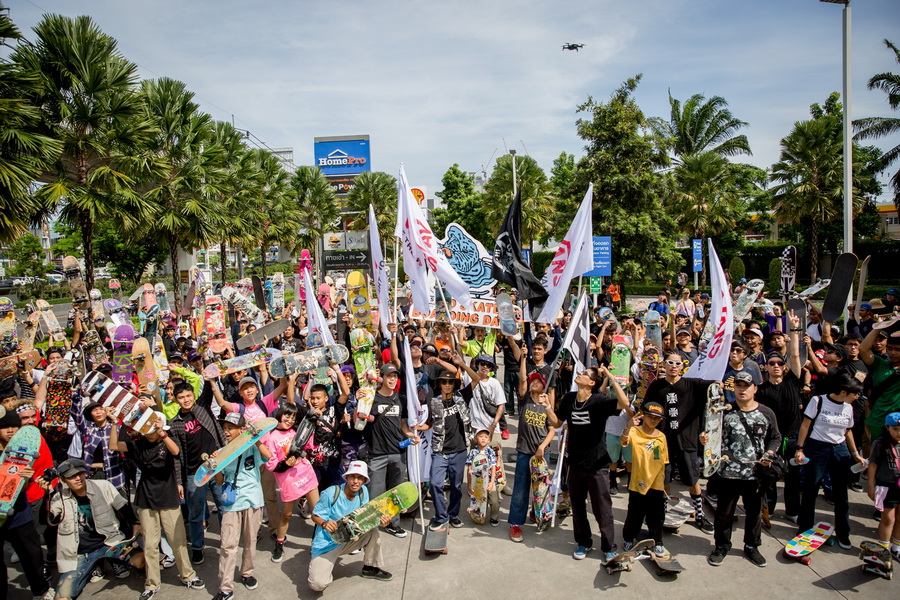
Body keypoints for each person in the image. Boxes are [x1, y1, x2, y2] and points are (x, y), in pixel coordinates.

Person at [109, 413, 203, 599]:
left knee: (178, 540)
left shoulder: (167, 440)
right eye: (147, 428)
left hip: (168, 496)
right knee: (150, 544)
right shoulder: (137, 444)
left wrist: (163, 434)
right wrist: (114, 424)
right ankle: (152, 584)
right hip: (146, 498)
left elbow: (176, 452)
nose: (150, 432)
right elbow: (114, 445)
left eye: (153, 428)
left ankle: (188, 575)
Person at [542, 365, 629, 563]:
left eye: (584, 374)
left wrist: (609, 375)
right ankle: (584, 542)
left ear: (591, 383)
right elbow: (557, 423)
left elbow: (624, 403)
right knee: (578, 506)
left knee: (602, 508)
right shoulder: (570, 398)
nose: (579, 374)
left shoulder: (599, 400)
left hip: (597, 464)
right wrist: (547, 406)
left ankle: (609, 547)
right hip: (575, 463)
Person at [702, 371, 781, 567]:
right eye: (738, 385)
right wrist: (704, 439)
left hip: (754, 474)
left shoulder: (766, 413)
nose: (742, 389)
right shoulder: (724, 412)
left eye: (746, 385)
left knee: (753, 513)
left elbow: (775, 437)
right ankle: (721, 546)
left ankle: (752, 546)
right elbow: (712, 435)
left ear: (755, 388)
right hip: (727, 473)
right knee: (723, 513)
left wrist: (769, 454)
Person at [41, 458, 144, 600]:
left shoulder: (103, 486)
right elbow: (46, 520)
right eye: (71, 476)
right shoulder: (58, 497)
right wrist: (47, 494)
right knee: (62, 597)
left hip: (109, 543)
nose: (78, 478)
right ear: (63, 480)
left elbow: (123, 507)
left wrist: (136, 523)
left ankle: (112, 562)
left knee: (142, 561)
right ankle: (94, 568)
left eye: (80, 474)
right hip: (80, 553)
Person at [644, 352, 720, 533]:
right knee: (664, 478)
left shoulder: (692, 384)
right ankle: (663, 513)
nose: (673, 366)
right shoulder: (656, 386)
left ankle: (700, 515)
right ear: (664, 364)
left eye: (677, 363)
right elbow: (646, 409)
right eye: (669, 362)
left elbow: (714, 392)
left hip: (687, 439)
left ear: (682, 366)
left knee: (693, 478)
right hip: (662, 441)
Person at [794, 372, 867, 549]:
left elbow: (848, 431)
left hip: (840, 450)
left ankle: (843, 534)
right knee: (811, 489)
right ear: (843, 391)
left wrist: (854, 453)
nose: (857, 397)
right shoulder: (818, 401)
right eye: (854, 393)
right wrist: (800, 448)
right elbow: (805, 425)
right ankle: (804, 529)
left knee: (841, 494)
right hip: (817, 448)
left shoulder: (848, 407)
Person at [212, 412, 273, 600]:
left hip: (253, 500)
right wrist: (216, 466)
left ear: (240, 429)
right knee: (228, 545)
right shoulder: (222, 451)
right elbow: (220, 481)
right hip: (231, 503)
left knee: (250, 541)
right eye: (225, 428)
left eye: (231, 428)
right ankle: (225, 588)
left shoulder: (252, 447)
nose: (227, 431)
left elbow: (268, 456)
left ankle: (247, 573)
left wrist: (254, 439)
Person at [307, 461, 392, 591]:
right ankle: (322, 564)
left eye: (360, 478)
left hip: (348, 538)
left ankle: (370, 568)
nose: (355, 481)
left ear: (364, 480)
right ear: (347, 477)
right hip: (327, 545)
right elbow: (315, 515)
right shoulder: (331, 493)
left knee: (373, 531)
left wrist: (381, 521)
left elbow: (365, 518)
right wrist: (324, 524)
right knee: (317, 585)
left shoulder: (363, 491)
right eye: (352, 477)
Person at [168, 381, 226, 565]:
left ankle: (227, 540)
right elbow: (176, 456)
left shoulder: (202, 406)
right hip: (194, 472)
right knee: (195, 513)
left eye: (188, 396)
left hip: (216, 464)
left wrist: (208, 366)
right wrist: (178, 481)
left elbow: (209, 387)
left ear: (193, 395)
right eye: (181, 397)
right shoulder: (175, 423)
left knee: (224, 506)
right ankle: (197, 547)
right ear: (176, 400)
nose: (186, 400)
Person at [0, 411, 54, 600]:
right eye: (5, 426)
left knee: (32, 554)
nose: (10, 430)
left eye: (14, 426)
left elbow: (20, 484)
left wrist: (28, 477)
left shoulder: (23, 449)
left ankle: (41, 590)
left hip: (19, 511)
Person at [366, 364, 418, 538]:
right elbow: (364, 416)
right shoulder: (372, 397)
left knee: (395, 492)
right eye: (389, 376)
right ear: (382, 377)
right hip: (377, 452)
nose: (392, 379)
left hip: (397, 451)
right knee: (375, 492)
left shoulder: (400, 399)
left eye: (395, 376)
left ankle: (393, 524)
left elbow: (402, 424)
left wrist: (411, 435)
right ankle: (368, 529)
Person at [264, 403, 319, 563]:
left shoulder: (296, 431)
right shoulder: (272, 437)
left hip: (306, 472)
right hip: (288, 480)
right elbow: (272, 464)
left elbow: (309, 446)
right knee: (287, 514)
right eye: (287, 415)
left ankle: (320, 543)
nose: (289, 420)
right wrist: (284, 464)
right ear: (279, 414)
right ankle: (279, 544)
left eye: (293, 417)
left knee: (317, 512)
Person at [507, 359, 555, 543]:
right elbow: (522, 381)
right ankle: (515, 524)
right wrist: (524, 359)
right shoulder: (524, 399)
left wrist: (542, 448)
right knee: (520, 490)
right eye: (532, 381)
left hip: (541, 455)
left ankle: (537, 514)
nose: (533, 383)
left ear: (543, 386)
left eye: (537, 381)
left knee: (541, 489)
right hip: (524, 452)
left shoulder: (546, 405)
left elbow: (552, 429)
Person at [619, 402, 669, 558]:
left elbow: (664, 461)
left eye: (657, 418)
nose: (653, 421)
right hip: (638, 481)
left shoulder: (661, 437)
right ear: (643, 416)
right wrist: (628, 426)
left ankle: (658, 542)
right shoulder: (635, 431)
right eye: (650, 417)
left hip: (656, 482)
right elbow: (624, 441)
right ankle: (628, 538)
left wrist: (665, 486)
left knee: (656, 515)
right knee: (635, 513)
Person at [427, 368, 472, 530]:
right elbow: (429, 422)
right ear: (439, 384)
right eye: (444, 382)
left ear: (454, 384)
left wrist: (463, 365)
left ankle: (453, 515)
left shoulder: (461, 398)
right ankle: (441, 516)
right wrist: (417, 428)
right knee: (435, 483)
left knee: (456, 486)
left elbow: (476, 380)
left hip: (459, 450)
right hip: (440, 451)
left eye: (450, 382)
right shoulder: (433, 402)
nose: (447, 385)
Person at [867, 412, 900, 560]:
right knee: (888, 519)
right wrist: (871, 487)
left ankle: (896, 547)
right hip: (886, 486)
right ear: (887, 427)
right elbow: (873, 465)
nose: (899, 433)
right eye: (895, 429)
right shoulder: (880, 443)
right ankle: (883, 548)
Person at [858, 328, 900, 444]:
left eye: (897, 349)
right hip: (879, 418)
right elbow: (862, 349)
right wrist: (878, 327)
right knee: (878, 454)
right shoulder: (879, 364)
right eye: (890, 348)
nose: (892, 353)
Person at [466, 429, 500, 526]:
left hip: (489, 480)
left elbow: (494, 467)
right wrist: (469, 485)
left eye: (486, 437)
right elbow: (469, 469)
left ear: (489, 440)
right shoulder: (473, 452)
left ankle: (494, 517)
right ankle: (479, 515)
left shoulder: (490, 452)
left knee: (494, 500)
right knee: (479, 499)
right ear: (476, 438)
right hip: (477, 481)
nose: (483, 439)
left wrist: (492, 482)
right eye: (481, 436)